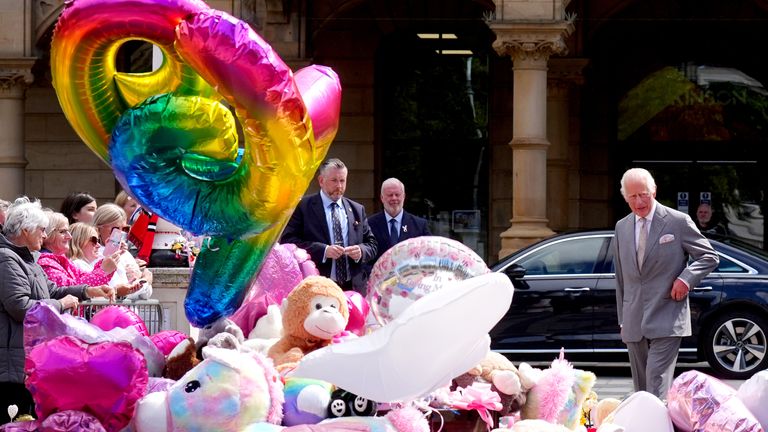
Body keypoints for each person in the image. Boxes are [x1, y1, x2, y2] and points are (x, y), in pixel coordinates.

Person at [0, 197, 113, 424]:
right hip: (11, 363)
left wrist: (88, 291)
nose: (44, 235)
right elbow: (20, 306)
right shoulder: (6, 258)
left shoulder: (28, 258)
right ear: (25, 230)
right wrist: (61, 305)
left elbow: (52, 290)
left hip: (27, 358)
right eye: (42, 230)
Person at [613, 168, 719, 398]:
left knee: (656, 381)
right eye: (633, 197)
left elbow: (709, 257)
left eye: (644, 194)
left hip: (667, 313)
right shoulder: (621, 227)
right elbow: (621, 277)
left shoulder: (677, 221)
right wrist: (623, 319)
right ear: (625, 197)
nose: (639, 201)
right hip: (633, 318)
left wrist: (685, 279)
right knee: (641, 390)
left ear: (654, 191)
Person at [280, 158, 377, 294]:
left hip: (353, 288)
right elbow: (288, 242)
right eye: (334, 180)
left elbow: (372, 244)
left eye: (342, 180)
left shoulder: (357, 209)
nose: (339, 186)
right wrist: (324, 251)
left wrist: (361, 251)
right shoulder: (303, 207)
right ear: (321, 181)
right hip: (318, 287)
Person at [38, 212, 139, 297]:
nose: (69, 236)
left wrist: (106, 263)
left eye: (68, 231)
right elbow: (73, 289)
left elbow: (83, 277)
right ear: (48, 234)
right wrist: (104, 271)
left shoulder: (62, 260)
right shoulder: (45, 262)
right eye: (63, 231)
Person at [92, 204, 153, 300]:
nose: (120, 233)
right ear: (98, 229)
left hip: (130, 311)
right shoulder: (95, 254)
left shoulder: (126, 254)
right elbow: (116, 292)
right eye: (115, 229)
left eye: (125, 229)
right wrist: (145, 281)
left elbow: (146, 294)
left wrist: (141, 284)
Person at [367, 178, 431, 263]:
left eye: (397, 194)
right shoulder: (369, 224)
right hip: (380, 275)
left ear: (404, 197)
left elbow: (429, 254)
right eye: (390, 195)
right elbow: (365, 258)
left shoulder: (420, 225)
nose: (394, 198)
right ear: (382, 198)